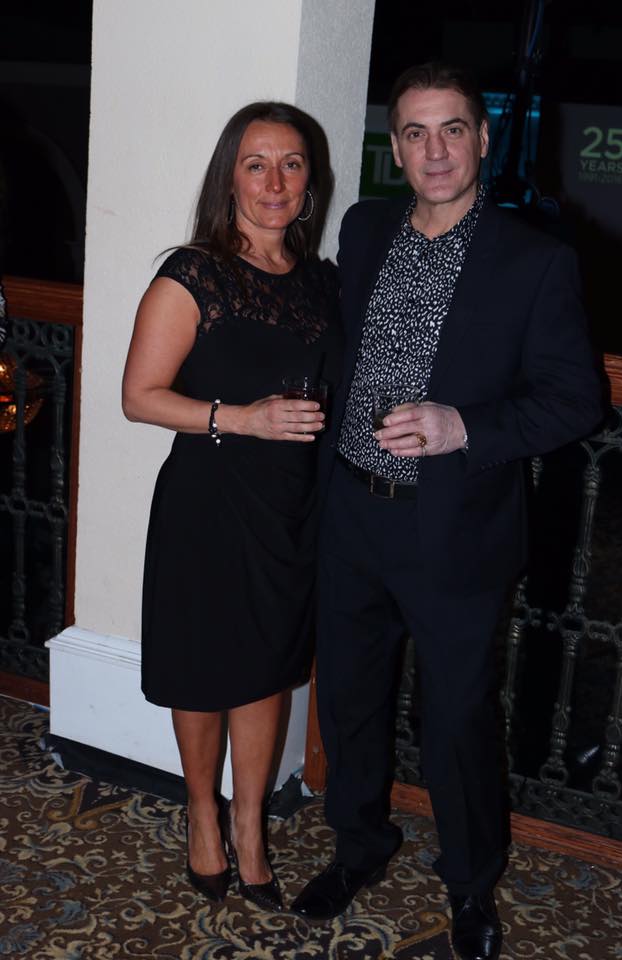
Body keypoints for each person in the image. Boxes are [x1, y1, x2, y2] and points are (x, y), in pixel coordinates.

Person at [290, 63, 602, 959]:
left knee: (458, 718)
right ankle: (359, 846)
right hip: (352, 514)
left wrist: (465, 425)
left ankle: (470, 882)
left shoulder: (536, 260)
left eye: (453, 129)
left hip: (454, 529)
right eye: (417, 133)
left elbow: (576, 399)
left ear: (483, 139)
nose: (435, 151)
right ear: (396, 147)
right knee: (351, 701)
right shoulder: (365, 227)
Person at [122, 101, 341, 913]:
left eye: (291, 164)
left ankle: (251, 826)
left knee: (266, 669)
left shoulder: (321, 282)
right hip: (209, 502)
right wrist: (241, 418)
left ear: (310, 181)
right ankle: (203, 817)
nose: (275, 182)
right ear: (230, 178)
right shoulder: (193, 274)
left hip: (291, 506)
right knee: (205, 666)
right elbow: (139, 396)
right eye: (257, 164)